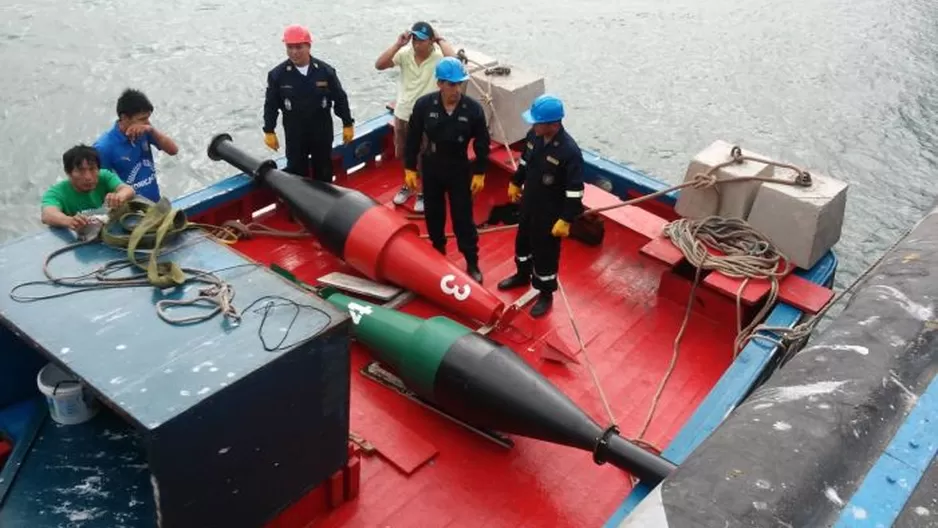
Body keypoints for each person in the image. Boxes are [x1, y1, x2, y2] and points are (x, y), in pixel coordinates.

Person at [496, 95, 585, 317]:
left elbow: (575, 191)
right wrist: (516, 182)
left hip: (550, 213)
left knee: (545, 254)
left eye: (537, 122)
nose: (532, 125)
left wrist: (566, 219)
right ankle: (522, 274)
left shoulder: (569, 152)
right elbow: (525, 161)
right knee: (523, 243)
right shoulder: (533, 137)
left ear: (553, 125)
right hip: (529, 204)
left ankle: (545, 292)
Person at [404, 57, 490, 283]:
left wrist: (480, 172)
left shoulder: (473, 110)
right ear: (439, 84)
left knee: (463, 216)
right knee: (434, 213)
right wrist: (409, 168)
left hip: (459, 168)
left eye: (459, 83)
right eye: (451, 84)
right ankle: (438, 251)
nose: (456, 89)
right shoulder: (424, 105)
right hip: (431, 166)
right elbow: (412, 138)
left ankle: (471, 260)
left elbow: (482, 143)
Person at [375, 21, 456, 213]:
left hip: (427, 117)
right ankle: (409, 185)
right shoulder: (404, 54)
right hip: (403, 113)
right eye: (414, 39)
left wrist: (440, 38)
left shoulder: (438, 58)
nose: (416, 43)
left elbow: (455, 63)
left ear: (430, 41)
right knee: (405, 153)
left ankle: (424, 191)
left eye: (421, 40)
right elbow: (380, 65)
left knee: (425, 157)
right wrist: (398, 44)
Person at [263, 24, 355, 183]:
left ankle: (326, 201)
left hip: (321, 130)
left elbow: (339, 98)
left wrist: (347, 123)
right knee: (296, 172)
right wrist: (269, 130)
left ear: (308, 46)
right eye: (290, 47)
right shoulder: (277, 75)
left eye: (299, 47)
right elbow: (271, 105)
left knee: (324, 169)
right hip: (295, 133)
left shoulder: (325, 71)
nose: (294, 52)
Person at [94, 89, 179, 203]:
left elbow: (173, 150)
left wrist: (152, 131)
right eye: (142, 119)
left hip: (154, 204)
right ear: (124, 118)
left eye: (148, 118)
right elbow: (99, 188)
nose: (147, 123)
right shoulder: (103, 147)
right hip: (129, 212)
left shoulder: (145, 130)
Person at [40, 144, 135, 231]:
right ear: (68, 173)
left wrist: (119, 197)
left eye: (92, 169)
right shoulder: (56, 193)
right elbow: (47, 214)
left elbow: (128, 190)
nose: (88, 177)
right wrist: (69, 221)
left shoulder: (104, 176)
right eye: (80, 171)